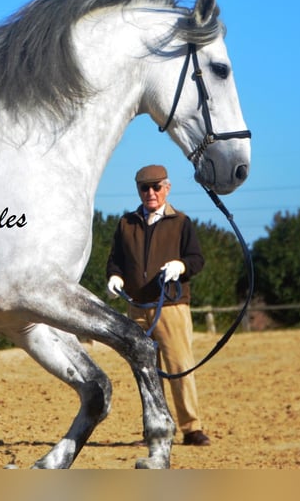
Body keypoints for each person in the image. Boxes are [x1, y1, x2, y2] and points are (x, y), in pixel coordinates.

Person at [106, 164, 211, 446]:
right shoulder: (125, 223)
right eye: (144, 188)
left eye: (156, 187)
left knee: (179, 367)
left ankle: (192, 428)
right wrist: (114, 276)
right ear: (138, 190)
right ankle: (155, 430)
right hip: (137, 309)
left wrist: (181, 266)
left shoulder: (181, 222)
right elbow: (115, 258)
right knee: (146, 373)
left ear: (167, 188)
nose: (150, 193)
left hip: (172, 306)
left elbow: (197, 259)